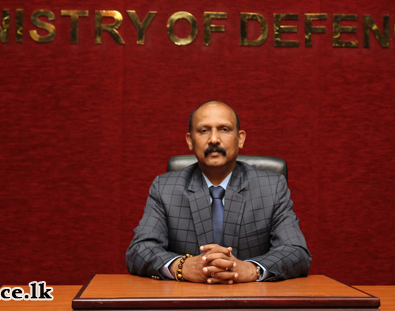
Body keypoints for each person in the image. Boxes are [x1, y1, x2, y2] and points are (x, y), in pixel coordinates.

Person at [126, 100, 311, 283]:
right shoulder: (165, 188)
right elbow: (140, 250)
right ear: (190, 141)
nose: (214, 139)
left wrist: (251, 269)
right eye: (204, 130)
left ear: (241, 138)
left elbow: (296, 251)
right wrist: (182, 267)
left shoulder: (271, 187)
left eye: (224, 129)